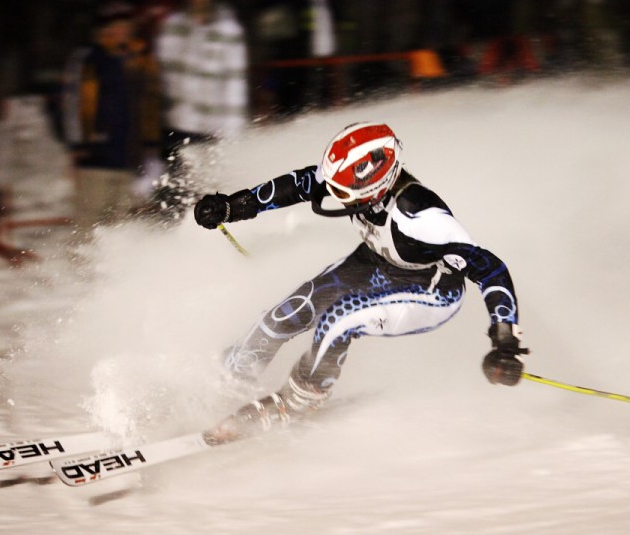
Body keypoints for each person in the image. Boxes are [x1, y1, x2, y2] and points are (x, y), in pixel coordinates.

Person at [192, 122, 527, 445]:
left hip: (430, 291)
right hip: (377, 262)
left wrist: (505, 342)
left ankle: (297, 400)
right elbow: (305, 183)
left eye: (342, 192)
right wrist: (234, 206)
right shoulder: (359, 183)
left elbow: (490, 269)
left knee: (340, 318)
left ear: (374, 188)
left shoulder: (423, 220)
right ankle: (228, 379)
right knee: (289, 312)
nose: (334, 194)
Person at [66, 1, 162, 228]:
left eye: (125, 25)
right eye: (115, 26)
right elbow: (72, 102)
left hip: (130, 157)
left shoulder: (141, 58)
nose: (121, 31)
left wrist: (151, 144)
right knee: (89, 222)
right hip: (96, 158)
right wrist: (79, 143)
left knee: (121, 224)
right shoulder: (90, 59)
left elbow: (150, 102)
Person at [155, 0, 248, 143]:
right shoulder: (174, 25)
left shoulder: (228, 30)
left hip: (213, 121)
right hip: (177, 118)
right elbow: (164, 69)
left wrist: (234, 125)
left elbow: (234, 78)